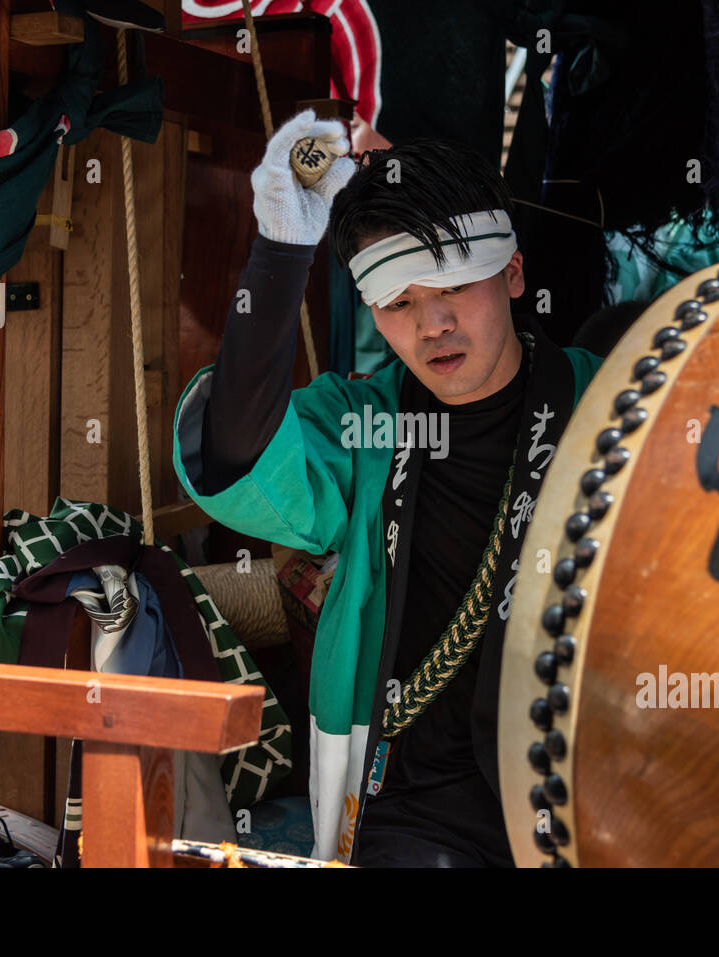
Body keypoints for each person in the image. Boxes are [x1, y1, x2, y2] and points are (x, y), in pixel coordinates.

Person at [172, 110, 602, 866]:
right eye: (397, 302)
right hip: (416, 809)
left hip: (595, 789)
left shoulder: (615, 405)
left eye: (452, 287)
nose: (431, 324)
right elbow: (237, 458)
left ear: (512, 270)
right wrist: (282, 249)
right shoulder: (366, 428)